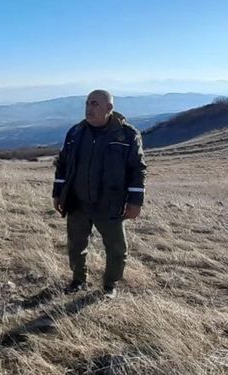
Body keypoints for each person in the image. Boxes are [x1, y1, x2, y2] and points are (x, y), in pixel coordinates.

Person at [52, 89, 147, 299]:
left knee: (116, 249)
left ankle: (109, 286)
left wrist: (135, 201)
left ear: (109, 108)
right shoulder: (75, 133)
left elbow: (137, 169)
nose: (89, 108)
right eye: (87, 103)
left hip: (110, 203)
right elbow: (63, 164)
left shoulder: (127, 135)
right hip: (77, 201)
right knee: (76, 245)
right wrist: (58, 193)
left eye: (94, 104)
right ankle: (78, 280)